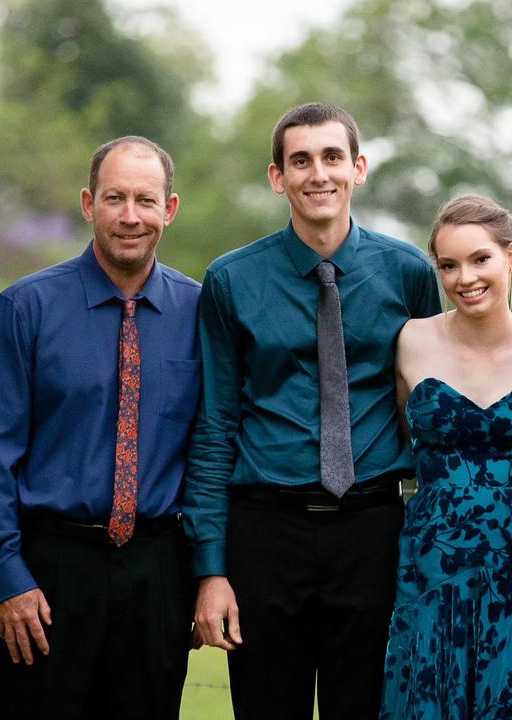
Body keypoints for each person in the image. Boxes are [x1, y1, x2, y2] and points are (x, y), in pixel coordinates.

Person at [183, 102, 440, 720]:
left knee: (372, 707)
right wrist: (211, 569)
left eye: (331, 158)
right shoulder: (230, 281)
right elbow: (215, 428)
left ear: (359, 168)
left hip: (375, 528)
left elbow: (436, 414)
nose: (317, 174)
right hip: (265, 533)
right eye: (300, 160)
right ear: (278, 177)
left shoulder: (408, 274)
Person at [0, 136, 200, 719]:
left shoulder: (202, 314)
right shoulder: (27, 308)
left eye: (146, 200)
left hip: (159, 574)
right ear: (88, 203)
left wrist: (204, 573)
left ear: (169, 210)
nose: (129, 216)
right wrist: (7, 577)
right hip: (49, 575)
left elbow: (211, 447)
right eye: (114, 197)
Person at [378, 195, 512, 719]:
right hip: (432, 557)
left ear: (511, 255)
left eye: (479, 259)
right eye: (448, 265)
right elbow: (397, 432)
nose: (465, 277)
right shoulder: (411, 342)